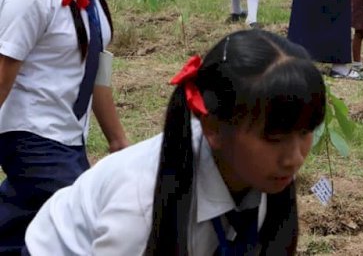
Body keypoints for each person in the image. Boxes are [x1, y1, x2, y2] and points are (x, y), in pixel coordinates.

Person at [24, 29, 326, 255]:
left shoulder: (262, 172)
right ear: (213, 127)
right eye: (274, 139)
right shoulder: (141, 206)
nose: (294, 158)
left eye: (305, 132)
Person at [0, 0, 129, 252]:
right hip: (30, 136)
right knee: (78, 222)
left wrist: (118, 140)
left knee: (20, 222)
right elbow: (2, 76)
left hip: (68, 136)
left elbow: (96, 71)